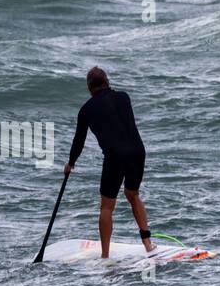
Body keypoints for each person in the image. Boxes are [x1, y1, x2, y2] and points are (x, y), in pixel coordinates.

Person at [63, 66, 154, 258]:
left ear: (89, 88)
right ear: (107, 82)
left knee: (106, 206)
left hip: (115, 156)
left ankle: (105, 256)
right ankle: (148, 244)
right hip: (138, 152)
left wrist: (71, 163)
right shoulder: (124, 97)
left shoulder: (86, 110)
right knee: (133, 194)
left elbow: (78, 140)